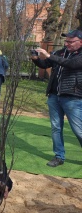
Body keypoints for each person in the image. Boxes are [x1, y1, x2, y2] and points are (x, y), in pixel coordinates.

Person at [31, 29, 82, 167]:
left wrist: (49, 55)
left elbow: (71, 64)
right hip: (54, 96)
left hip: (73, 97)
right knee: (56, 127)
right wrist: (35, 58)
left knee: (78, 130)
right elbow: (45, 64)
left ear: (80, 42)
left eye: (71, 41)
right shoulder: (60, 52)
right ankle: (59, 156)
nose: (67, 44)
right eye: (66, 41)